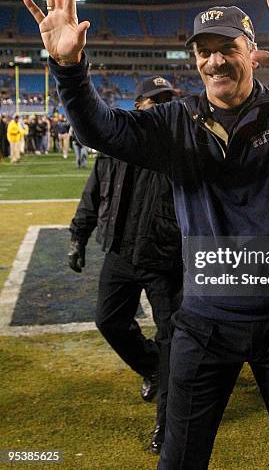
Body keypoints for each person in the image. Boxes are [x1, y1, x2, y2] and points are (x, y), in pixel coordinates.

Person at [24, 0, 269, 470]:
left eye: (226, 47)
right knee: (179, 461)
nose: (213, 60)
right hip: (206, 320)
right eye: (203, 51)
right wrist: (69, 67)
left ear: (251, 51)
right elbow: (101, 130)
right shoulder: (175, 121)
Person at [68, 77, 183, 455]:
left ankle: (168, 425)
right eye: (156, 101)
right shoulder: (115, 146)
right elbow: (93, 192)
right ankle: (149, 367)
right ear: (139, 106)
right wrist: (78, 235)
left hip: (165, 258)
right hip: (120, 251)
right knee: (109, 320)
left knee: (172, 340)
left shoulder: (180, 147)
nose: (163, 107)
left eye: (168, 101)